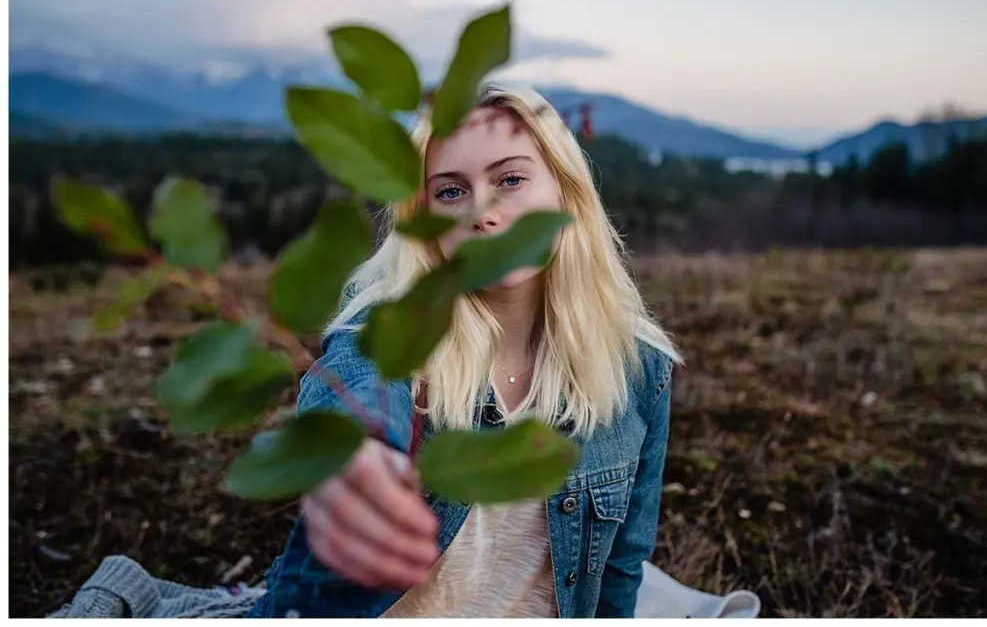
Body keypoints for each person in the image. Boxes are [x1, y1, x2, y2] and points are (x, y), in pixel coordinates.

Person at [247, 82, 684, 619]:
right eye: (451, 191)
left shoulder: (638, 367)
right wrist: (361, 454)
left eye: (511, 179)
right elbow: (357, 384)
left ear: (565, 191)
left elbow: (620, 569)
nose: (484, 213)